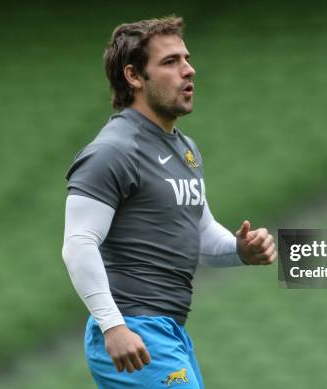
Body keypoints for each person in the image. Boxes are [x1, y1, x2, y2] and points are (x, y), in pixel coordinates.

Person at [62, 16, 277, 388]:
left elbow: (203, 234)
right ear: (134, 77)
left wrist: (241, 249)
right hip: (134, 329)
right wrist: (113, 326)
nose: (189, 70)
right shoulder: (113, 151)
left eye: (186, 58)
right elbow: (78, 244)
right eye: (170, 62)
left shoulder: (186, 149)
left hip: (168, 329)